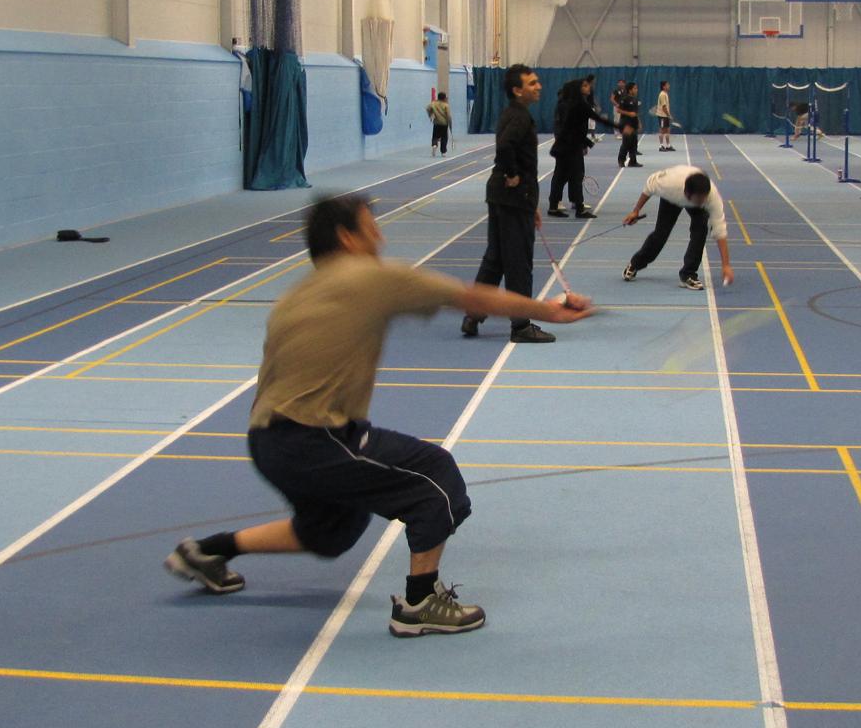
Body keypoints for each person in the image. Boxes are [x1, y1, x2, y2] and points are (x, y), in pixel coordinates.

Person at [164, 194, 591, 634]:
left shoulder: (296, 294)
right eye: (372, 228)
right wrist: (550, 311)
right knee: (434, 476)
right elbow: (467, 296)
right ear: (348, 238)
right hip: (313, 437)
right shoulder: (367, 276)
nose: (380, 237)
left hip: (268, 441)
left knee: (334, 528)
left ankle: (209, 551)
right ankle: (419, 603)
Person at [464, 64, 555, 343]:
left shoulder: (512, 114)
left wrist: (532, 205)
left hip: (505, 197)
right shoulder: (519, 117)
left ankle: (473, 314)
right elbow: (504, 147)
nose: (538, 86)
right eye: (532, 83)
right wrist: (513, 174)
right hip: (512, 198)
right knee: (518, 262)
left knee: (496, 259)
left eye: (538, 82)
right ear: (517, 90)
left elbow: (507, 148)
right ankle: (521, 325)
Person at [619, 164, 735, 291]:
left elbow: (720, 229)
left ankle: (688, 274)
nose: (702, 202)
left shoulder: (711, 197)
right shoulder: (668, 184)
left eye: (704, 199)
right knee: (661, 234)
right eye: (699, 200)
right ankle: (635, 264)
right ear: (687, 193)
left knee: (700, 230)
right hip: (672, 198)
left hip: (691, 194)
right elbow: (649, 185)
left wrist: (726, 265)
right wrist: (636, 210)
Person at [547, 74, 616, 219]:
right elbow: (571, 128)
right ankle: (578, 208)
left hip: (567, 146)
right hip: (569, 147)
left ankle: (558, 206)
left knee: (564, 176)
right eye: (584, 86)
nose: (588, 87)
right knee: (574, 176)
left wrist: (583, 143)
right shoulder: (576, 105)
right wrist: (621, 127)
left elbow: (574, 129)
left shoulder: (570, 104)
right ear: (577, 89)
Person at [614, 81, 643, 168]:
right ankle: (621, 160)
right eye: (635, 88)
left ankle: (633, 161)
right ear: (630, 90)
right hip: (625, 124)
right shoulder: (624, 98)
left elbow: (636, 113)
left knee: (634, 143)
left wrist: (639, 123)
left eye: (636, 88)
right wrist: (628, 113)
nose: (636, 90)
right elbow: (618, 110)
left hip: (633, 124)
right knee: (626, 143)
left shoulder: (635, 100)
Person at [426, 89, 451, 155]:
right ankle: (443, 152)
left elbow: (427, 108)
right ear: (444, 98)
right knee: (444, 137)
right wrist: (450, 122)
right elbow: (448, 115)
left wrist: (430, 115)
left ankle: (434, 145)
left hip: (436, 122)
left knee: (435, 135)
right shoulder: (446, 105)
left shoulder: (433, 103)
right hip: (444, 123)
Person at [654, 81, 674, 152]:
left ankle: (668, 145)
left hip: (665, 116)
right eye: (667, 85)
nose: (669, 86)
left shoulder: (665, 94)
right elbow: (664, 107)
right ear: (663, 86)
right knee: (662, 130)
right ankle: (661, 146)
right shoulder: (662, 94)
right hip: (662, 116)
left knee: (667, 130)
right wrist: (669, 115)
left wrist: (668, 115)